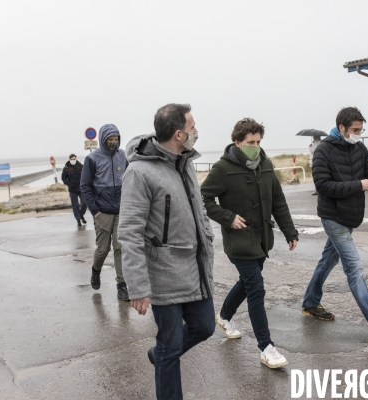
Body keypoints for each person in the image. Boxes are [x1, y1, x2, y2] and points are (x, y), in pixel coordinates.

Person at [119, 104, 215, 400]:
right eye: (192, 126)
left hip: (196, 268)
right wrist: (137, 287)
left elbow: (196, 210)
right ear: (178, 133)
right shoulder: (139, 172)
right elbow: (130, 232)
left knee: (205, 327)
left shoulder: (184, 161)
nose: (196, 131)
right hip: (163, 273)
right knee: (171, 347)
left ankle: (159, 352)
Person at [201, 118, 299, 369]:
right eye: (250, 142)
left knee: (246, 284)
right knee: (256, 288)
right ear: (237, 142)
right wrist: (227, 217)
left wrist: (289, 231)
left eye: (258, 141)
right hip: (239, 241)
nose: (255, 146)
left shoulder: (266, 164)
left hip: (262, 239)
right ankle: (266, 347)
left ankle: (224, 316)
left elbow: (278, 200)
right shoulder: (222, 168)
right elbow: (203, 198)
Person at [301, 107, 368, 340]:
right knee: (354, 268)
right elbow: (323, 186)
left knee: (327, 261)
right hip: (333, 217)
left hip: (351, 217)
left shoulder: (359, 146)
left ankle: (310, 302)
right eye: (355, 130)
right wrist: (358, 185)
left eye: (361, 129)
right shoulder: (323, 151)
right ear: (342, 128)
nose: (359, 133)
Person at [80, 124, 129, 301]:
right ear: (103, 139)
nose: (113, 142)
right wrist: (94, 210)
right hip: (102, 212)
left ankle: (121, 286)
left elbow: (131, 179)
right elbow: (85, 186)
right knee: (103, 249)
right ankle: (95, 271)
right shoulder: (92, 159)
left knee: (120, 247)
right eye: (110, 139)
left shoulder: (123, 156)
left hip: (121, 211)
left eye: (116, 139)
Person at [62, 154, 87, 227]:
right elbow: (63, 178)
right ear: (69, 159)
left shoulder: (81, 166)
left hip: (81, 188)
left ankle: (81, 215)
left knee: (84, 203)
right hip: (72, 189)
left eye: (74, 159)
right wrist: (69, 184)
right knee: (75, 205)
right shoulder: (66, 168)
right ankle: (78, 219)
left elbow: (85, 175)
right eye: (72, 159)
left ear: (76, 159)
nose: (73, 160)